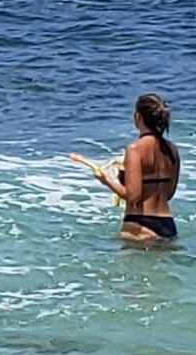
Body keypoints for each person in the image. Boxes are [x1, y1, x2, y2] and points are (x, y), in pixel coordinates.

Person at [70, 93, 181, 243]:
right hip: (167, 224)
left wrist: (106, 180)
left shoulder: (135, 149)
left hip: (140, 223)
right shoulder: (172, 149)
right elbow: (168, 194)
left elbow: (133, 196)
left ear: (138, 117)